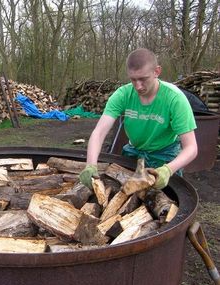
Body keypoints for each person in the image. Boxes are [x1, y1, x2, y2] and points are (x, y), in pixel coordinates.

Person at [80, 48, 198, 190]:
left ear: (157, 72)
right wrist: (91, 165)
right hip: (134, 151)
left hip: (165, 154)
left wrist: (168, 170)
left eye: (143, 79)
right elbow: (99, 133)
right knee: (126, 194)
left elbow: (191, 147)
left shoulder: (175, 99)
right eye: (133, 79)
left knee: (164, 200)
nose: (138, 86)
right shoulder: (123, 95)